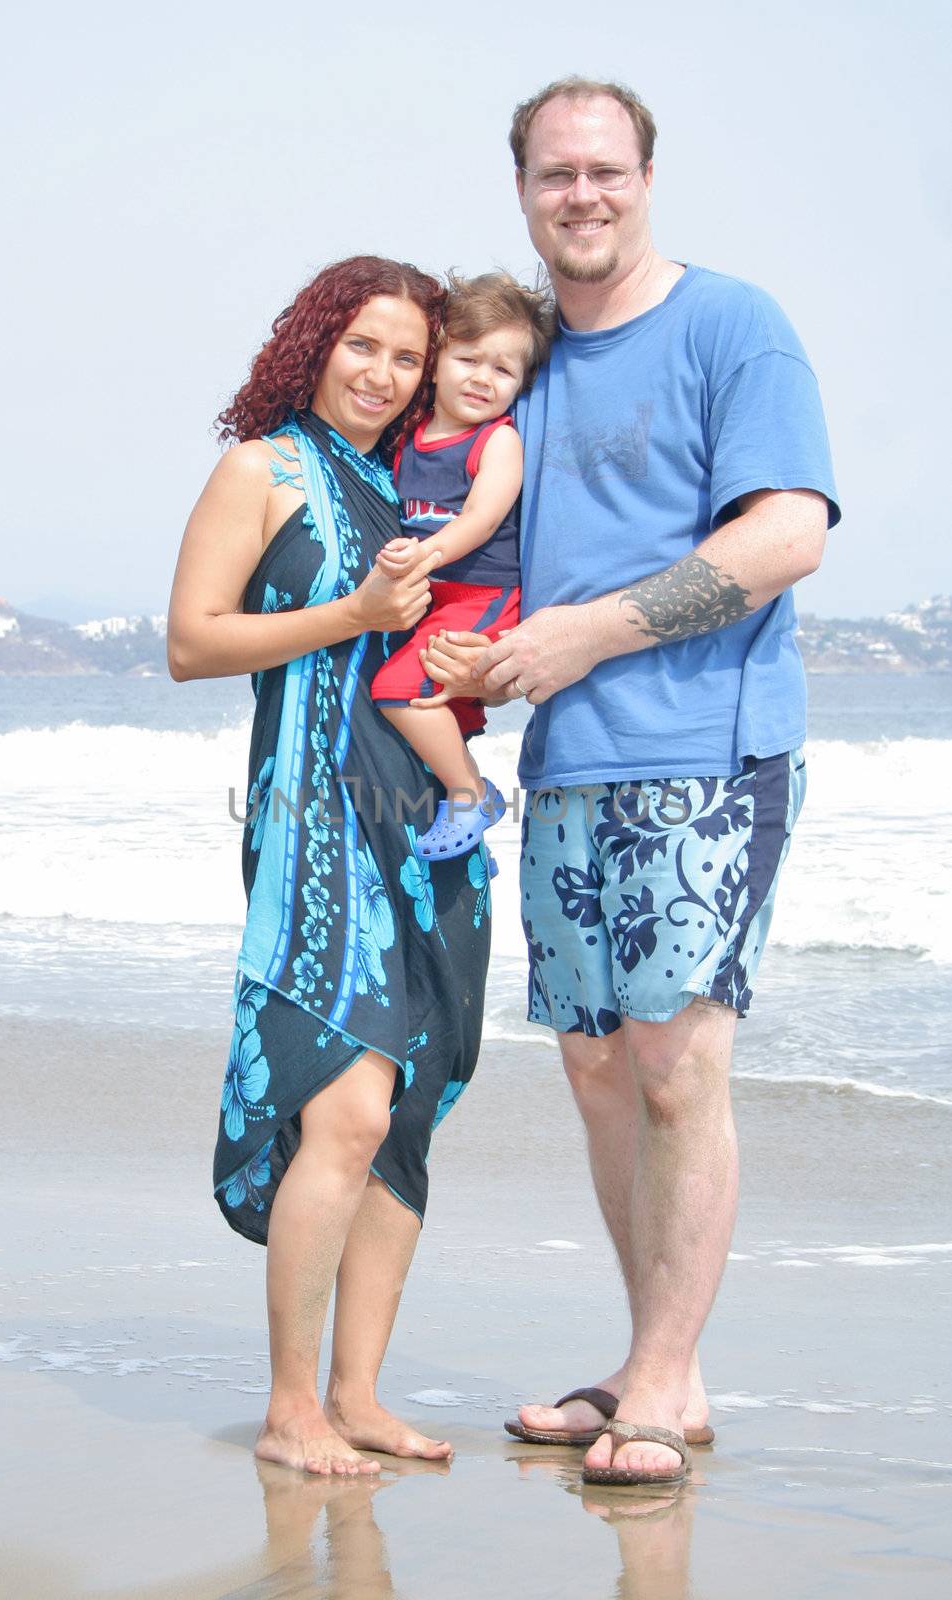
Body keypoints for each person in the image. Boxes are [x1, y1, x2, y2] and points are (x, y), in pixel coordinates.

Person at [423, 78, 839, 1487]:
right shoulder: (526, 359)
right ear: (523, 191)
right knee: (600, 1070)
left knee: (677, 1066)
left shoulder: (732, 324)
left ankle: (658, 1381)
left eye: (603, 170)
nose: (580, 195)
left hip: (705, 750)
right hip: (568, 766)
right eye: (554, 176)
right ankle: (660, 1362)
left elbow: (786, 535)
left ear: (646, 176)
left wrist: (586, 633)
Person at [167, 256, 492, 1477]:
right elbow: (193, 643)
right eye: (362, 344)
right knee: (344, 1110)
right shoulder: (264, 470)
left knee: (404, 1109)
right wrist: (353, 615)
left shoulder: (416, 488)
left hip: (431, 818)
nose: (381, 372)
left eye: (406, 355)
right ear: (313, 343)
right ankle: (290, 1407)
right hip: (315, 812)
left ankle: (358, 1395)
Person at [369, 272, 555, 862]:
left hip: (485, 598)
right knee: (430, 704)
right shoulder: (407, 440)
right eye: (468, 358)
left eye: (504, 370)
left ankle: (470, 793)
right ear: (437, 359)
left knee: (396, 692)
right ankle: (465, 814)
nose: (483, 377)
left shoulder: (497, 442)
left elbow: (479, 518)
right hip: (435, 599)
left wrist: (424, 554)